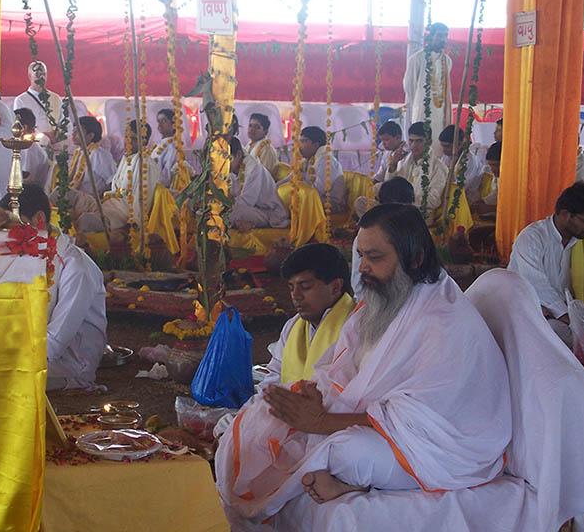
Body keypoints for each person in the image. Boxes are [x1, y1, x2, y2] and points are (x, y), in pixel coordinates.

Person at [216, 204, 511, 528]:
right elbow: (340, 368)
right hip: (368, 420)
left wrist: (323, 421)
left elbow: (421, 421)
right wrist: (313, 396)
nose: (364, 268)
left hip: (443, 447)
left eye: (375, 257)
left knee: (347, 452)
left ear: (414, 259)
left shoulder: (444, 322)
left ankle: (350, 480)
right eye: (361, 256)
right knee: (252, 424)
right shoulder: (378, 304)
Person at [0, 185, 107, 391]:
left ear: (38, 219)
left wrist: (6, 356)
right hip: (33, 351)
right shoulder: (32, 254)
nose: (6, 236)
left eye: (12, 226)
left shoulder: (76, 268)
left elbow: (54, 344)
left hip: (70, 366)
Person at [263, 244, 355, 387]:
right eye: (291, 288)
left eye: (305, 286)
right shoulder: (292, 326)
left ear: (335, 287)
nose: (296, 296)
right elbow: (274, 376)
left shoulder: (357, 329)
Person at [508, 182, 584, 348]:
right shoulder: (532, 238)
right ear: (565, 214)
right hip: (529, 313)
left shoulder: (579, 242)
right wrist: (570, 319)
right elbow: (537, 287)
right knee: (553, 331)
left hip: (564, 314)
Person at [351, 177, 415, 295]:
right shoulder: (367, 236)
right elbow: (359, 284)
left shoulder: (413, 234)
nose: (363, 267)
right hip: (370, 299)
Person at [101, 120, 161, 231]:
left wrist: (134, 225)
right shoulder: (128, 158)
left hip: (126, 214)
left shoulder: (145, 164)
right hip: (115, 205)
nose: (128, 142)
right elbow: (118, 188)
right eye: (126, 137)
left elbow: (141, 202)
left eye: (133, 139)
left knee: (87, 220)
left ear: (144, 141)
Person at [403, 22, 453, 157]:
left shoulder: (447, 61)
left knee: (439, 144)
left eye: (445, 36)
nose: (443, 39)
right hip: (422, 111)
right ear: (430, 37)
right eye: (439, 35)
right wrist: (419, 105)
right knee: (422, 143)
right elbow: (409, 86)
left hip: (441, 112)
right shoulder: (417, 59)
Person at [384, 121, 449, 223]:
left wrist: (406, 198)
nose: (414, 145)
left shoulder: (439, 167)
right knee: (362, 202)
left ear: (429, 142)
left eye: (419, 141)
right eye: (411, 140)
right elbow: (389, 187)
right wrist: (393, 165)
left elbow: (434, 200)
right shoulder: (403, 160)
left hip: (420, 214)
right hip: (398, 209)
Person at [229, 136, 289, 230]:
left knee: (234, 212)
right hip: (252, 209)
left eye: (227, 159)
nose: (223, 163)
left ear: (238, 155)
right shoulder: (232, 169)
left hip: (269, 213)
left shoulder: (253, 169)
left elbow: (246, 202)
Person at [294, 126, 347, 212]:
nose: (300, 146)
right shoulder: (310, 159)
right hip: (316, 199)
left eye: (304, 141)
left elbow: (316, 192)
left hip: (331, 204)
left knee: (296, 202)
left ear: (316, 145)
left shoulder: (326, 161)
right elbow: (293, 178)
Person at [13, 60, 69, 142]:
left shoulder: (56, 98)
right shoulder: (21, 100)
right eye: (38, 74)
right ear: (30, 76)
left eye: (44, 74)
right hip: (33, 145)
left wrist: (59, 134)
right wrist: (44, 135)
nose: (42, 77)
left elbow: (65, 122)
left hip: (56, 145)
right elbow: (20, 127)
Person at [68, 115, 117, 194]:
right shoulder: (78, 152)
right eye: (73, 131)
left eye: (77, 132)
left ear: (90, 136)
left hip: (93, 201)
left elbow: (113, 181)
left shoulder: (99, 155)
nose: (73, 134)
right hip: (77, 198)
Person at [438, 124, 486, 204]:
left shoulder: (470, 161)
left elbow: (460, 187)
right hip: (448, 195)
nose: (444, 150)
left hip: (466, 200)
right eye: (442, 146)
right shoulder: (446, 156)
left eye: (447, 146)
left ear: (459, 144)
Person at [152, 108, 193, 188]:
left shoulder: (173, 146)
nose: (160, 125)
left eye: (164, 121)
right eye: (158, 121)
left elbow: (166, 176)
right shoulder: (161, 143)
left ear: (173, 124)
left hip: (161, 191)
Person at [15, 107, 52, 188]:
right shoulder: (29, 146)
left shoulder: (29, 149)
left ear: (24, 128)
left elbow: (27, 179)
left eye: (14, 125)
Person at [247, 113, 281, 179]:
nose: (252, 129)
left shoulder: (267, 149)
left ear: (265, 132)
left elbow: (265, 176)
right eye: (250, 125)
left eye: (257, 127)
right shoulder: (249, 145)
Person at [471, 141, 501, 218]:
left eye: (496, 165)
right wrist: (483, 201)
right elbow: (497, 193)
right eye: (490, 165)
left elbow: (515, 206)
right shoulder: (497, 176)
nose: (493, 169)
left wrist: (491, 208)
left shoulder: (517, 180)